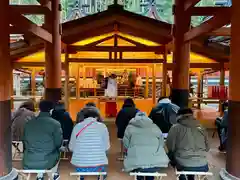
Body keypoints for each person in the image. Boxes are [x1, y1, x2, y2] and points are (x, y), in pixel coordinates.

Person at [22, 100, 63, 180]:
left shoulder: (29, 123)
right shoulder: (55, 124)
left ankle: (40, 175)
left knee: (39, 151)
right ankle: (53, 174)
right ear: (51, 110)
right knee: (58, 151)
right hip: (48, 160)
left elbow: (24, 141)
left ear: (39, 109)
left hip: (29, 160)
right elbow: (58, 143)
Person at [123, 112, 169, 180]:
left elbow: (126, 144)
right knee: (151, 169)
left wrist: (131, 151)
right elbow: (161, 143)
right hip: (156, 162)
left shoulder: (129, 128)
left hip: (136, 163)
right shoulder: (155, 126)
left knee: (138, 168)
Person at [166, 108, 209, 180]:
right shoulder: (201, 127)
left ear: (179, 116)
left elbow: (170, 147)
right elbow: (208, 148)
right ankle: (190, 177)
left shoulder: (175, 127)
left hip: (183, 162)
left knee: (171, 155)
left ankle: (182, 176)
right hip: (202, 163)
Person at [69, 108, 110, 180]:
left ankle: (81, 177)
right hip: (98, 165)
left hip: (80, 165)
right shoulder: (102, 127)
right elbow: (107, 147)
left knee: (80, 163)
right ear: (97, 117)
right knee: (103, 158)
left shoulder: (77, 127)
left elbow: (71, 147)